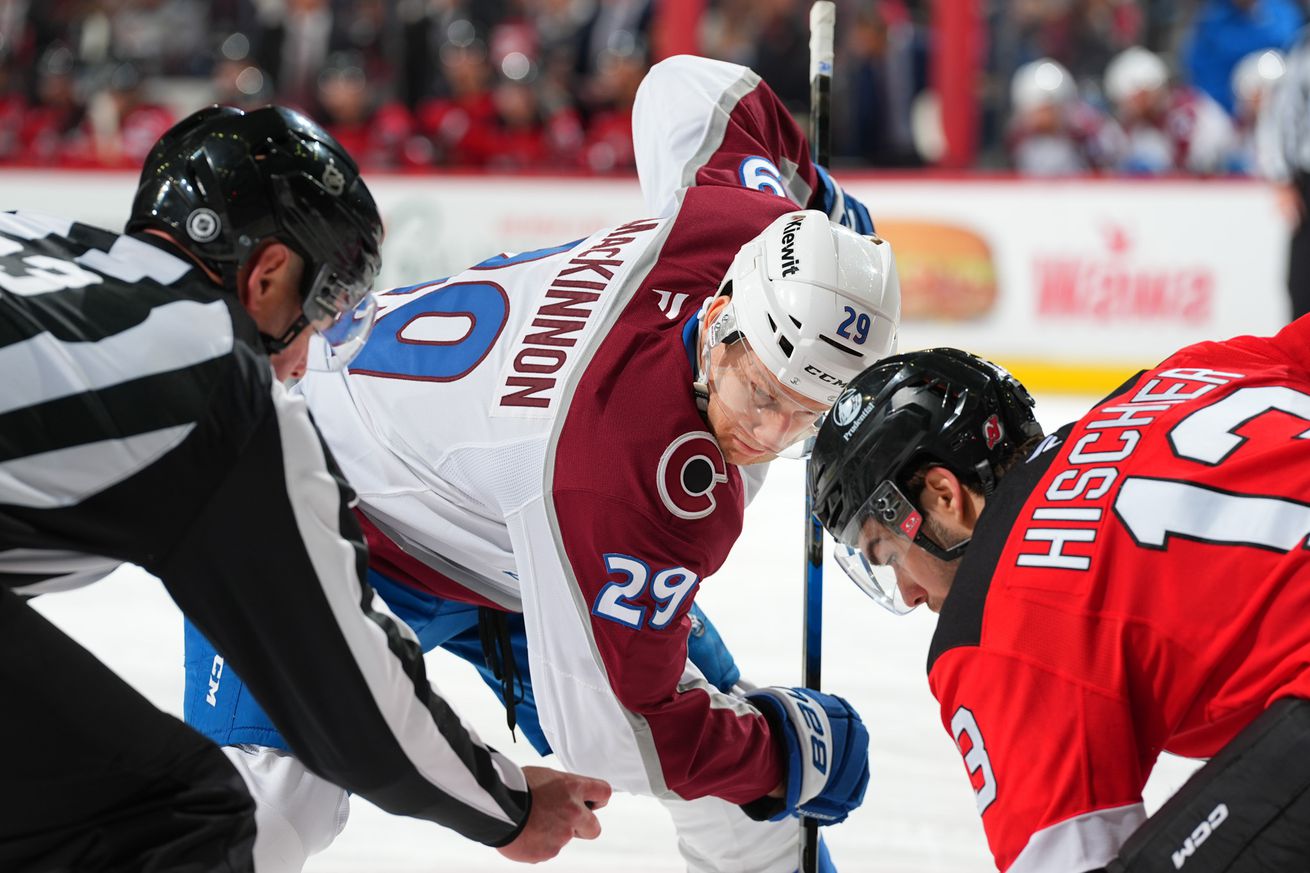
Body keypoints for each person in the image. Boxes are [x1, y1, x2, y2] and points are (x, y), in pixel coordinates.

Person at [182, 54, 891, 873]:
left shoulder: (745, 227)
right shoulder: (628, 479)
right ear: (724, 313)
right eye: (761, 392)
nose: (768, 435)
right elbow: (622, 734)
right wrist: (781, 753)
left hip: (502, 518)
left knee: (739, 796)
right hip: (304, 501)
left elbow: (688, 89)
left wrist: (807, 195)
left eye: (806, 415)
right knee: (269, 810)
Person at [0, 104, 609, 872]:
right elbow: (352, 699)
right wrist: (510, 808)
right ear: (268, 274)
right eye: (324, 308)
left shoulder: (29, 234)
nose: (308, 354)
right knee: (189, 818)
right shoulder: (221, 378)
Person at [807, 331, 1310, 872]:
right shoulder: (1181, 377)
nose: (909, 592)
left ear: (943, 496)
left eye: (887, 553)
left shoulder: (991, 627)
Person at [1103, 45, 1236, 175]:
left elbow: (1194, 173)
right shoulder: (1140, 126)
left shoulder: (1187, 114)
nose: (1126, 108)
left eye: (1132, 99)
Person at [1005, 57, 1124, 176]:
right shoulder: (1019, 140)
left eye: (1051, 108)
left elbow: (1111, 151)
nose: (1044, 116)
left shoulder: (1082, 133)